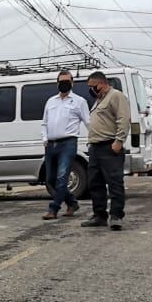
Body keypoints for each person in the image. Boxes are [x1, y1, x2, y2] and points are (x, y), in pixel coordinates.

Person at [81, 71, 131, 231]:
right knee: (95, 183)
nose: (90, 89)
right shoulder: (98, 100)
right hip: (95, 147)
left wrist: (119, 140)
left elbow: (123, 119)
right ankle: (99, 215)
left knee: (114, 182)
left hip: (109, 146)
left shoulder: (116, 96)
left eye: (92, 86)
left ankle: (116, 216)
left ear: (101, 84)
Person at [40, 69, 90, 220]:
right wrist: (44, 139)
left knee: (62, 178)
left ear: (72, 83)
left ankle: (53, 209)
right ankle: (72, 202)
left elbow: (89, 122)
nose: (64, 84)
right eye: (61, 82)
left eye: (67, 82)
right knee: (51, 180)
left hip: (68, 143)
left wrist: (94, 140)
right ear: (57, 83)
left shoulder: (79, 102)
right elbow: (44, 123)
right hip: (51, 144)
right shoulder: (51, 101)